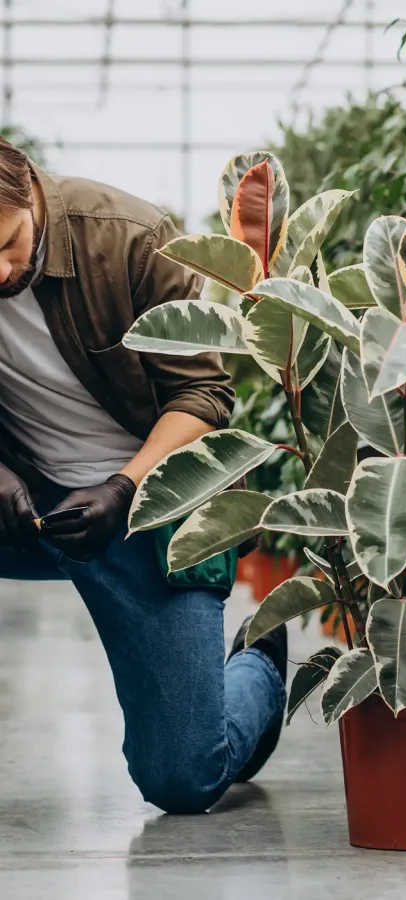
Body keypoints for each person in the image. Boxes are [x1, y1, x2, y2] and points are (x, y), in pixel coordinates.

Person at [0, 139, 287, 814]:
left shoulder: (130, 237)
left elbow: (204, 397)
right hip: (26, 509)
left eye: (9, 242)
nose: (0, 269)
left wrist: (122, 488)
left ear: (29, 190)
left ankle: (261, 672)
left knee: (182, 777)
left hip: (146, 511)